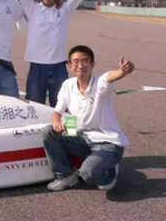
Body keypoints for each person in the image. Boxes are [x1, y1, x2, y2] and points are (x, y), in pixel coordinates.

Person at [1, 0, 106, 106]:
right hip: (37, 66)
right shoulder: (32, 9)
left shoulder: (65, 9)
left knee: (61, 107)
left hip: (58, 67)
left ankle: (65, 124)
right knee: (34, 107)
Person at [42, 45, 135, 192]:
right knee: (49, 131)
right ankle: (65, 175)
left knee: (89, 174)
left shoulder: (100, 83)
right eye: (76, 62)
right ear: (70, 65)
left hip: (106, 142)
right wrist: (56, 122)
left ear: (92, 64)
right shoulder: (68, 84)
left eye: (85, 61)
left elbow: (110, 76)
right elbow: (57, 111)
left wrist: (122, 72)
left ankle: (110, 173)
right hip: (81, 137)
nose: (80, 65)